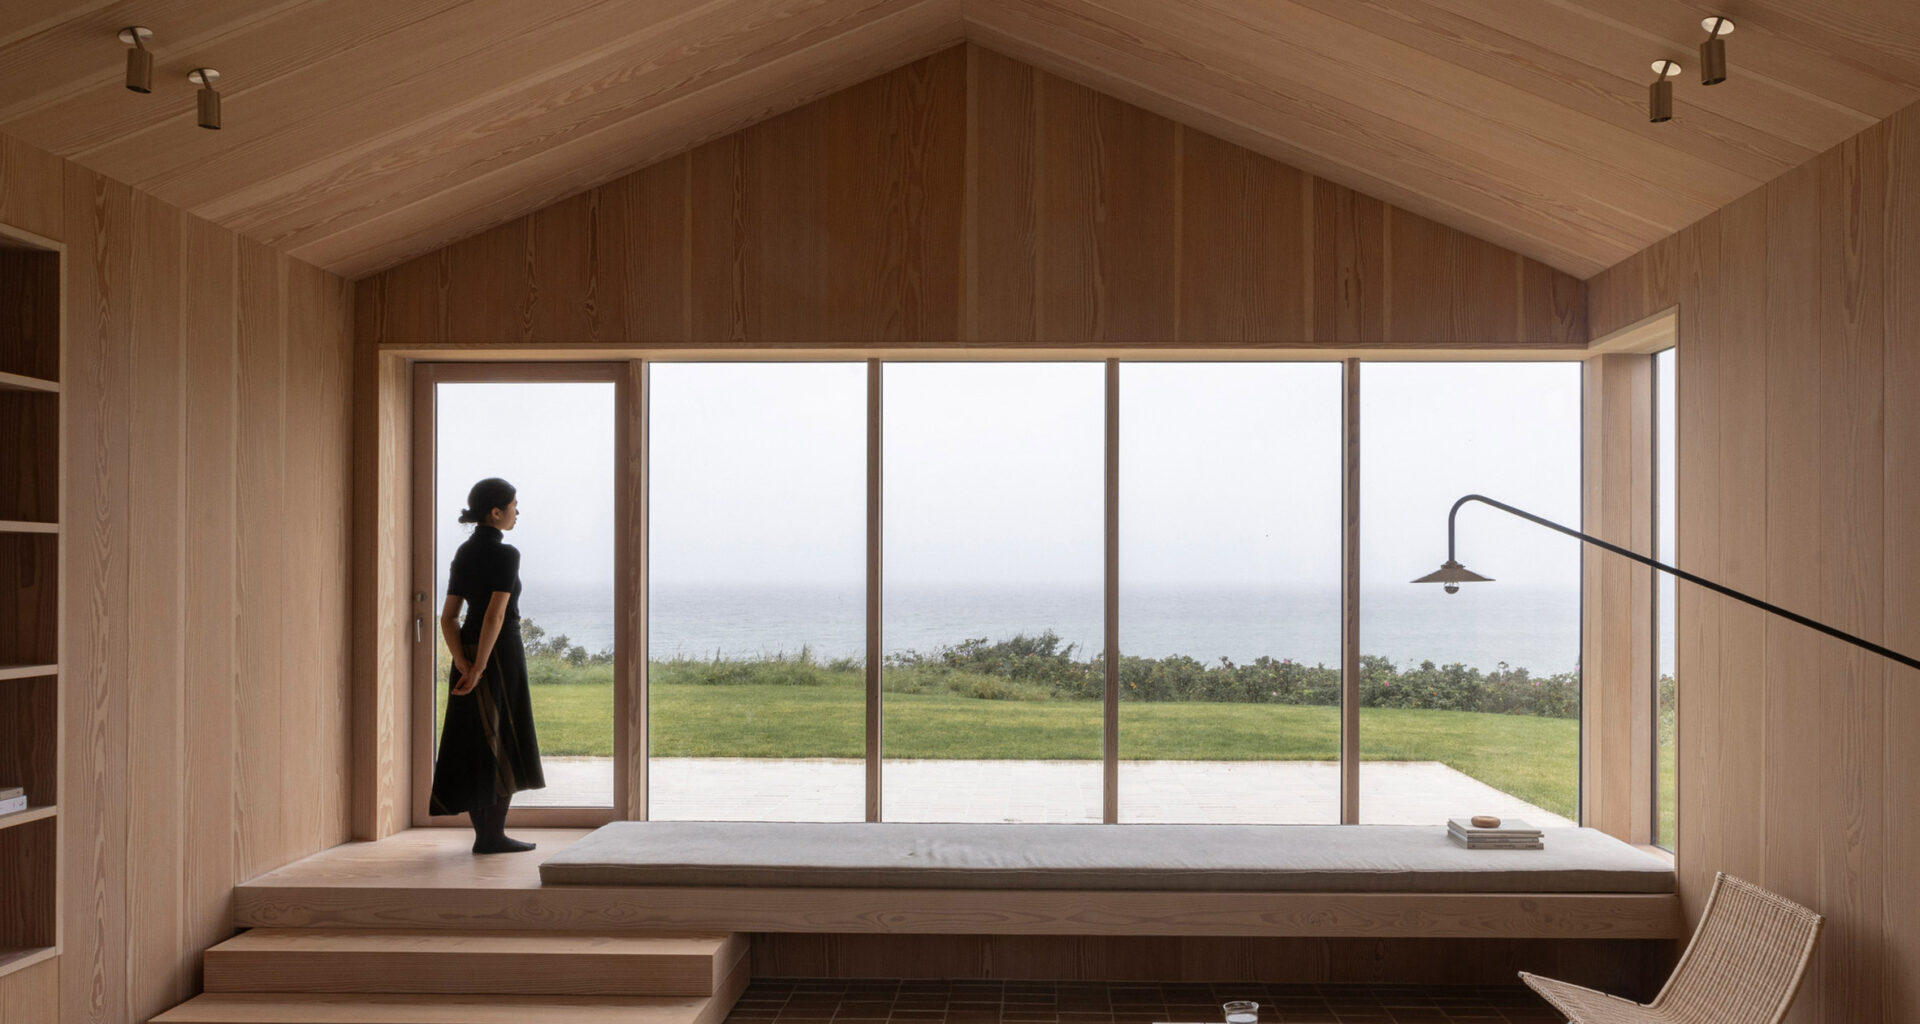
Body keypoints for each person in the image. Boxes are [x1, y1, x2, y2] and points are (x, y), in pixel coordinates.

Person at [429, 477, 545, 853]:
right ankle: (492, 837)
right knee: (505, 736)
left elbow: (448, 618)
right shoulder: (506, 554)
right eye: (513, 505)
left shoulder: (464, 553)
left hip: (467, 650)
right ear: (495, 512)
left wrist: (462, 660)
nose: (517, 512)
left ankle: (487, 837)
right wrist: (479, 667)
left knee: (475, 740)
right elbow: (496, 616)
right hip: (499, 652)